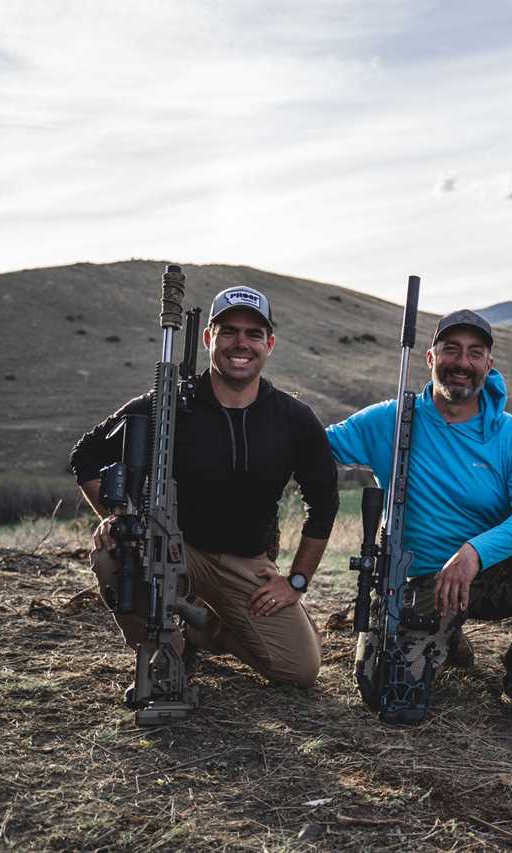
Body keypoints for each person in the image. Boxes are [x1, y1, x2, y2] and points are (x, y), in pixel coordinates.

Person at [70, 285, 339, 688]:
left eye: (253, 334)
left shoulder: (294, 418)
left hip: (246, 561)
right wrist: (115, 516)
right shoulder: (167, 403)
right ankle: (165, 650)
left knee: (298, 670)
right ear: (209, 338)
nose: (240, 343)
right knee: (117, 548)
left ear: (270, 344)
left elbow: (324, 504)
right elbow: (85, 457)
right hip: (170, 546)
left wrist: (296, 581)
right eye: (228, 331)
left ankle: (205, 629)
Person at [326, 309, 512, 734]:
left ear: (488, 365)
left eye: (475, 353)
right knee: (381, 691)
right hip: (417, 581)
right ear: (430, 357)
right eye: (451, 350)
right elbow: (317, 447)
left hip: (487, 576)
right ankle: (445, 635)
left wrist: (475, 552)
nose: (462, 362)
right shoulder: (392, 419)